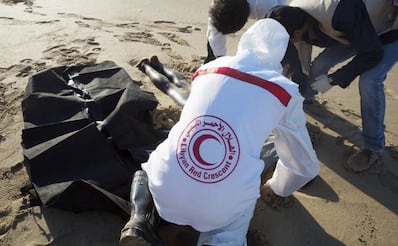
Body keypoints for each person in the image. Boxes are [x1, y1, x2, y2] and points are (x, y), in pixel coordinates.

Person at [119, 18, 320, 246]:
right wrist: (276, 187)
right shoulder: (285, 90)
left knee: (148, 168)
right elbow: (303, 165)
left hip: (163, 191)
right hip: (218, 209)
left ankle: (139, 222)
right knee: (232, 224)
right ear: (283, 66)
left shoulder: (207, 69)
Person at [266, 0, 398, 173]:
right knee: (320, 65)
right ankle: (305, 100)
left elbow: (372, 52)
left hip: (389, 30)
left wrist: (334, 79)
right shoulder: (292, 14)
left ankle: (373, 147)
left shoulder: (339, 13)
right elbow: (302, 62)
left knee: (369, 81)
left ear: (296, 33)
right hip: (357, 27)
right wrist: (295, 95)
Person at [205, 0, 287, 63]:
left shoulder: (269, 6)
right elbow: (214, 32)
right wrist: (219, 59)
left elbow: (272, 36)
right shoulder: (219, 3)